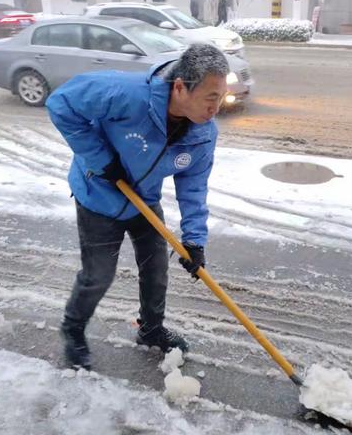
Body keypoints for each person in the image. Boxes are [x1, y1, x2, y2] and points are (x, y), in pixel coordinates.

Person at [46, 43, 229, 370]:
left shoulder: (202, 134)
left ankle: (151, 330)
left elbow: (194, 186)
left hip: (143, 200)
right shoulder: (126, 94)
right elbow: (60, 104)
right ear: (180, 88)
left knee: (156, 271)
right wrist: (101, 160)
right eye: (210, 97)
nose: (216, 107)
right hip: (98, 197)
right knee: (98, 275)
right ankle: (72, 329)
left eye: (221, 97)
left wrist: (194, 241)